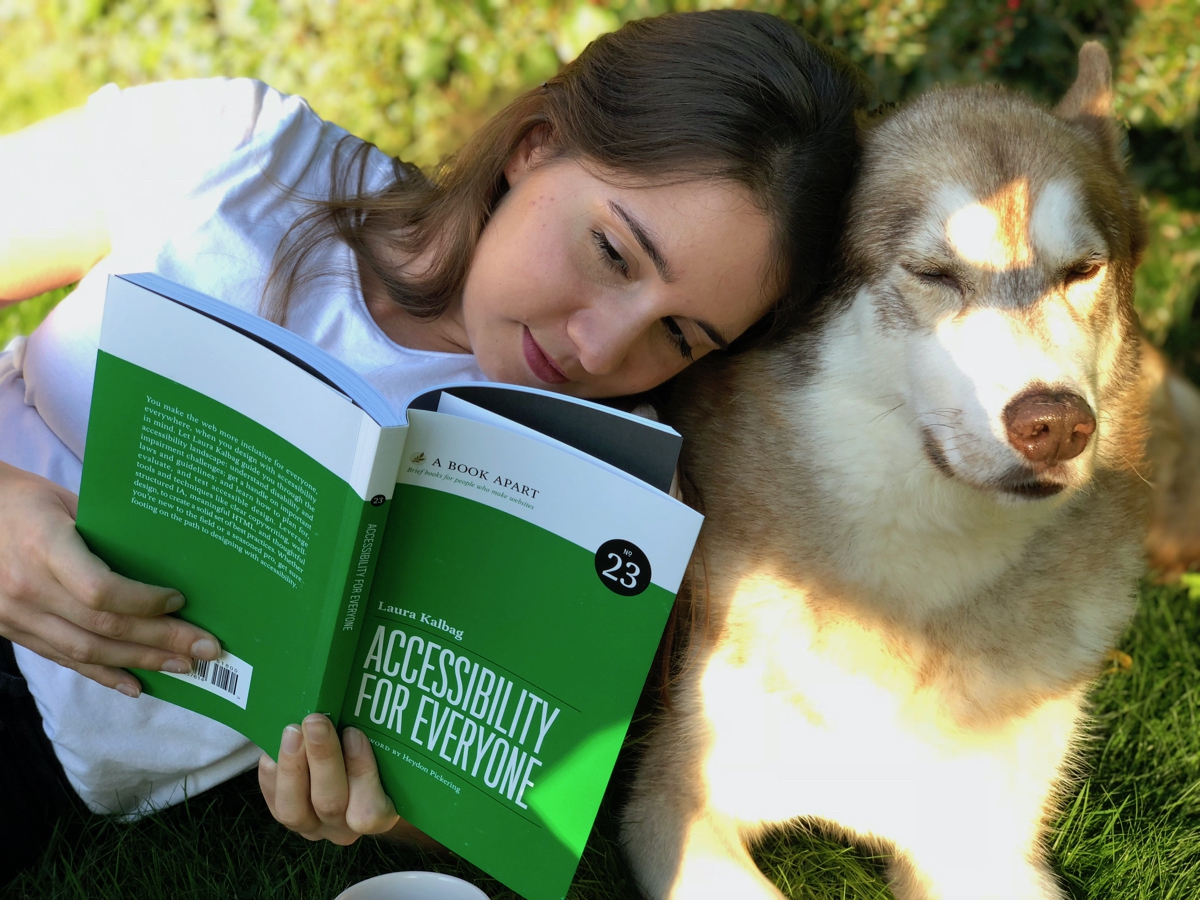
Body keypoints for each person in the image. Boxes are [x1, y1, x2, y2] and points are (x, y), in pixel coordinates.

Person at [0, 8, 864, 880]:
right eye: (611, 252)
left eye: (680, 336)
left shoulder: (603, 492)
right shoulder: (244, 156)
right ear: (535, 144)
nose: (602, 350)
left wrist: (381, 815)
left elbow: (481, 799)